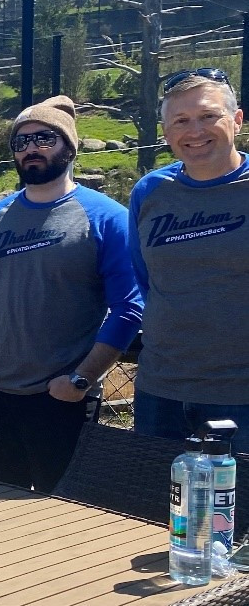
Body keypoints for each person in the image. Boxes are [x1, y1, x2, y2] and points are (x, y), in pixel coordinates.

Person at [0, 95, 143, 490]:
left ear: (69, 146)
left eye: (43, 138)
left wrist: (80, 379)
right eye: (20, 142)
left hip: (60, 398)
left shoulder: (107, 217)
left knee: (61, 517)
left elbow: (129, 307)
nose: (31, 149)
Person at [129, 69, 249, 448]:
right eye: (181, 121)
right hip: (160, 390)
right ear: (166, 133)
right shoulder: (149, 192)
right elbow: (144, 278)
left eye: (208, 116)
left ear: (237, 120)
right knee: (150, 505)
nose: (194, 131)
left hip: (241, 397)